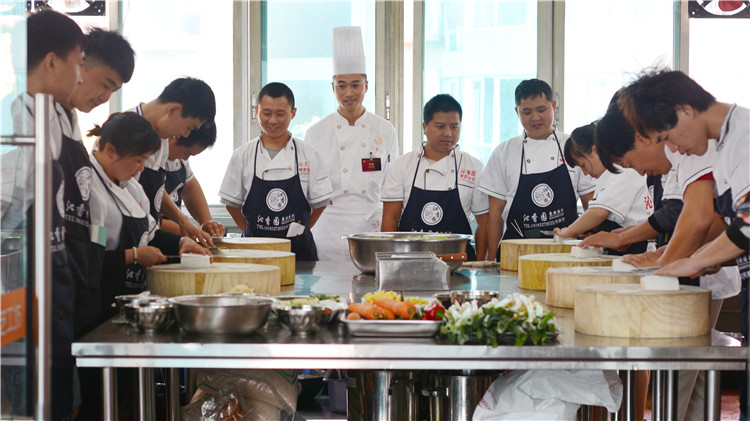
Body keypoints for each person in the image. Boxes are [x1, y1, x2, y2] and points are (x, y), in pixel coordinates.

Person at [592, 87, 741, 421]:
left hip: (711, 278)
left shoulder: (709, 143)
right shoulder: (703, 140)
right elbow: (722, 220)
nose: (674, 149)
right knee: (695, 380)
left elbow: (700, 217)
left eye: (630, 163)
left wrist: (670, 260)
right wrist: (669, 255)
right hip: (723, 267)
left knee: (683, 376)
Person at [82, 112, 209, 419]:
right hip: (94, 314)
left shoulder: (130, 185)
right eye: (137, 161)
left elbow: (151, 232)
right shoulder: (90, 191)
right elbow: (86, 259)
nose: (140, 170)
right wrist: (134, 257)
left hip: (126, 310)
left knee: (126, 395)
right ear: (110, 150)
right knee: (96, 402)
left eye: (144, 162)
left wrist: (180, 243)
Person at [3, 9, 85, 420]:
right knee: (30, 399)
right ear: (52, 61)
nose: (81, 78)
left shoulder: (50, 115)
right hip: (25, 280)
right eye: (79, 63)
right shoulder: (12, 120)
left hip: (54, 273)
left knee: (54, 395)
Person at [57, 28, 136, 339]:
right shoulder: (33, 119)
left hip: (80, 288)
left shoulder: (69, 123)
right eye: (105, 84)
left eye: (113, 90)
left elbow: (94, 229)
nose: (105, 97)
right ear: (77, 63)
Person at [305, 26, 399, 261]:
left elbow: (392, 187)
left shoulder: (385, 130)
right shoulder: (315, 132)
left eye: (355, 85)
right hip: (327, 229)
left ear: (366, 86)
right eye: (342, 85)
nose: (349, 92)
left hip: (371, 228)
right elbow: (308, 190)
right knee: (325, 294)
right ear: (332, 87)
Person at [477, 79, 596, 260]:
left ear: (554, 106)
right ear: (517, 112)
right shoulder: (504, 152)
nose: (535, 118)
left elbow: (591, 206)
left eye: (542, 110)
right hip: (516, 251)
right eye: (527, 112)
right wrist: (492, 261)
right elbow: (495, 216)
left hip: (565, 251)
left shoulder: (573, 146)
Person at [219, 82, 333, 260]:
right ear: (256, 110)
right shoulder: (242, 155)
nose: (272, 120)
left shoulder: (308, 155)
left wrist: (301, 231)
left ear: (293, 113)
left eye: (280, 114)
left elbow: (320, 202)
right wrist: (250, 233)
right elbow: (231, 203)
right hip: (254, 252)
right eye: (266, 113)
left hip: (299, 253)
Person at [381, 94, 488, 260]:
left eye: (454, 127)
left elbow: (484, 222)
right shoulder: (403, 164)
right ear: (425, 127)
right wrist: (389, 261)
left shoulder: (474, 167)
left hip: (460, 264)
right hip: (409, 261)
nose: (448, 133)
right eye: (440, 126)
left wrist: (481, 263)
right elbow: (390, 217)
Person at [129, 77, 216, 246]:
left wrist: (182, 220)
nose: (184, 134)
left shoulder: (161, 138)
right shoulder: (127, 130)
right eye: (189, 127)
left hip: (147, 236)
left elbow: (157, 192)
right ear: (174, 110)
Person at [554, 122, 652, 255]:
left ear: (596, 150)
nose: (585, 172)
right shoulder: (605, 178)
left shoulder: (623, 170)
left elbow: (599, 213)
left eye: (583, 165)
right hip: (623, 248)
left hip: (639, 248)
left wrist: (568, 231)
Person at [161, 123, 226, 237]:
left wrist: (207, 222)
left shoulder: (179, 158)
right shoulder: (148, 157)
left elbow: (190, 188)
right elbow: (150, 220)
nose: (186, 158)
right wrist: (186, 228)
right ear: (174, 136)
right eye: (186, 153)